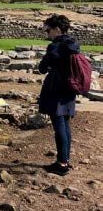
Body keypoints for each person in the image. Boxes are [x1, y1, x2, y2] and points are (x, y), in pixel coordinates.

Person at [38, 14, 79, 176]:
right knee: (66, 124)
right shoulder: (73, 44)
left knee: (59, 126)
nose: (47, 33)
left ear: (56, 29)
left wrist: (47, 65)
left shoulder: (55, 46)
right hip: (69, 87)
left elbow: (43, 67)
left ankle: (61, 164)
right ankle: (65, 159)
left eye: (48, 30)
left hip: (56, 88)